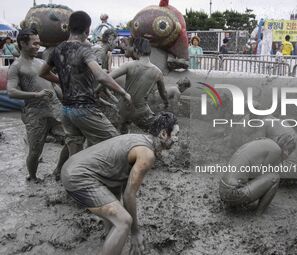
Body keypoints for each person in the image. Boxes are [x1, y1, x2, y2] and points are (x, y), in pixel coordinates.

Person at [61, 112, 179, 255]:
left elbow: (119, 182)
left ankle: (109, 239)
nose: (177, 139)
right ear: (163, 134)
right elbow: (129, 194)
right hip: (78, 176)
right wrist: (135, 232)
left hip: (74, 167)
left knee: (115, 209)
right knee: (124, 221)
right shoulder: (147, 154)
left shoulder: (141, 139)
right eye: (175, 134)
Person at [40, 11, 132, 161]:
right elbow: (101, 76)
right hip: (84, 109)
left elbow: (42, 73)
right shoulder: (84, 50)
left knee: (74, 151)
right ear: (88, 30)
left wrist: (63, 80)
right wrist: (123, 92)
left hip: (66, 110)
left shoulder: (57, 50)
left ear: (69, 28)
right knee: (116, 142)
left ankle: (66, 176)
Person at [7, 28, 68, 183]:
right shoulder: (16, 66)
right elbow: (11, 91)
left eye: (38, 43)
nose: (37, 46)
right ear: (22, 43)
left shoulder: (41, 62)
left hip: (55, 108)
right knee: (35, 151)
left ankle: (59, 169)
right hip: (35, 112)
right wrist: (35, 95)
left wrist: (67, 97)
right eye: (34, 43)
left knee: (73, 138)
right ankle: (33, 177)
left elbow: (55, 85)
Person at [219, 134, 296, 215]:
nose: (288, 154)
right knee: (275, 177)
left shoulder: (264, 142)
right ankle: (259, 214)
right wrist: (281, 159)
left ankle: (234, 205)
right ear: (285, 147)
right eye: (290, 150)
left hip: (223, 191)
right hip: (233, 194)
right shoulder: (276, 150)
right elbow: (264, 174)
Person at [107, 37, 168, 133]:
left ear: (135, 50)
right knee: (155, 131)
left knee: (122, 130)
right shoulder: (158, 72)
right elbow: (163, 93)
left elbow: (107, 78)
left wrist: (97, 90)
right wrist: (166, 102)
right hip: (141, 111)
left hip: (124, 108)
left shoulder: (129, 65)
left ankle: (124, 137)